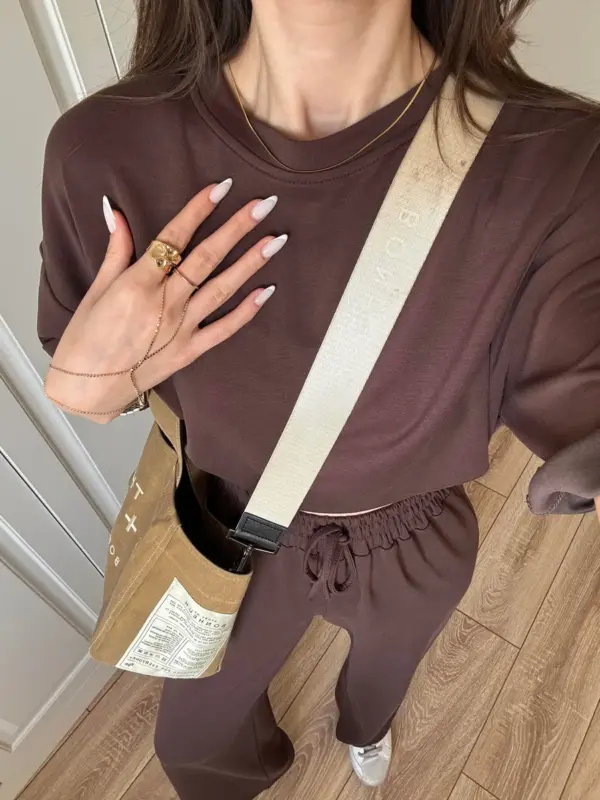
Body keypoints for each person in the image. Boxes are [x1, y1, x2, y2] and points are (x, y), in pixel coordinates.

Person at [37, 1, 600, 798]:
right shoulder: (102, 147)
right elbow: (92, 358)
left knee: (383, 677)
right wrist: (95, 392)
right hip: (231, 524)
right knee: (191, 740)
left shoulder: (558, 163)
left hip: (412, 533)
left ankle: (363, 727)